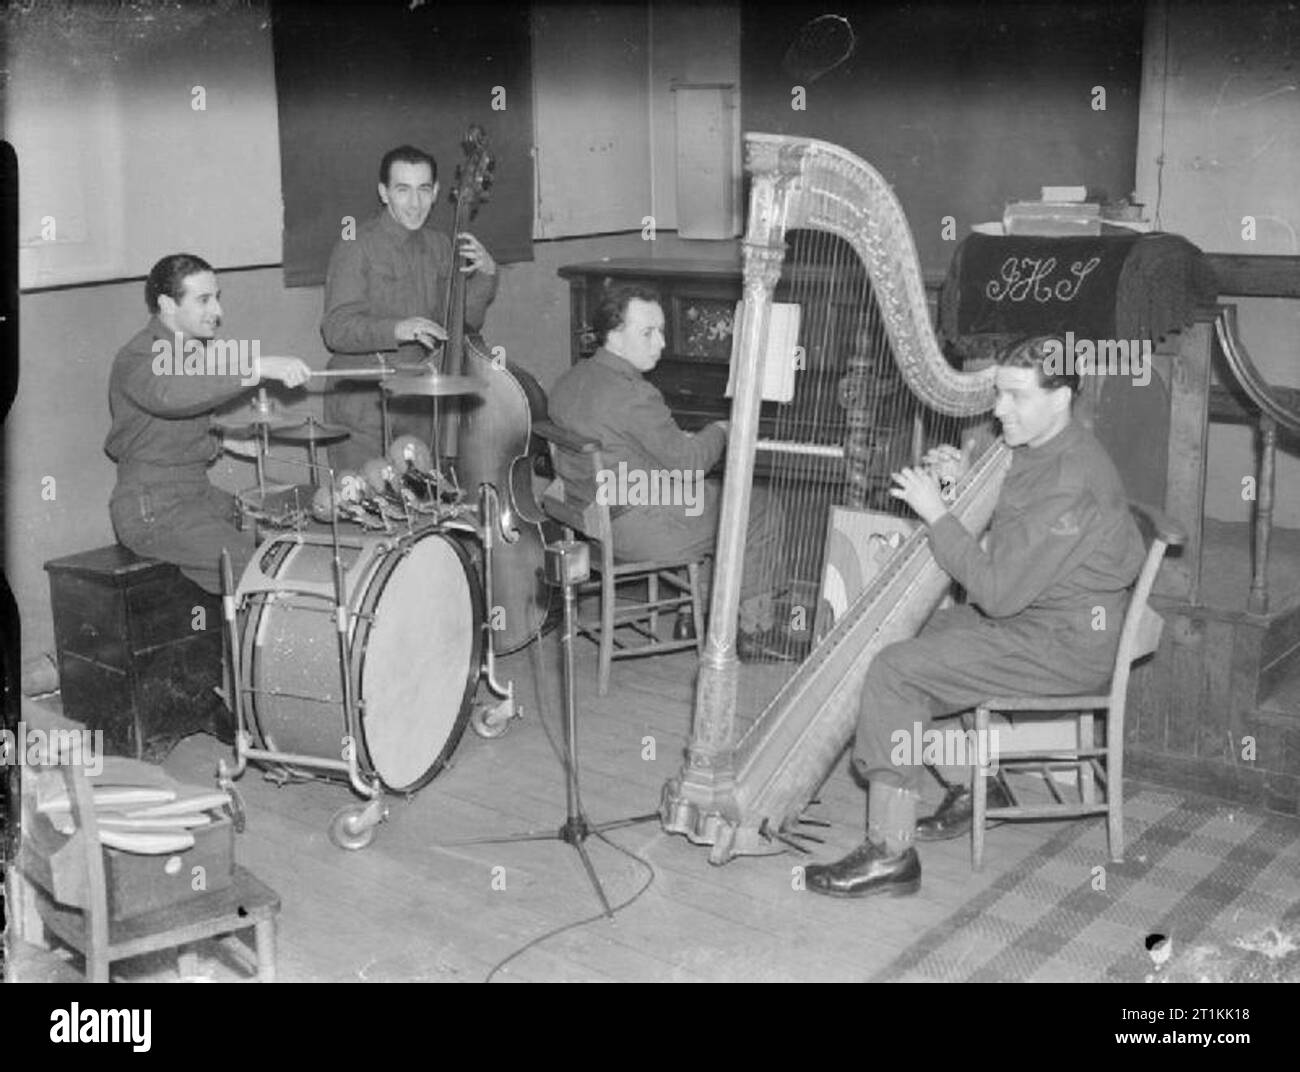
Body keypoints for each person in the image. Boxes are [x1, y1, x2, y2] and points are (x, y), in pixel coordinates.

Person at [803, 334, 1147, 898]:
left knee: (896, 670)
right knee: (923, 634)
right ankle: (980, 787)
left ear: (1060, 398)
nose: (997, 409)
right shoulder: (1052, 447)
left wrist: (938, 514)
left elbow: (995, 592)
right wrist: (962, 483)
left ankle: (890, 855)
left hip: (1062, 644)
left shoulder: (1070, 477)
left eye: (1014, 397)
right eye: (997, 395)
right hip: (1040, 621)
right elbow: (1018, 524)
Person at [547, 284, 795, 659]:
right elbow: (690, 464)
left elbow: (633, 446)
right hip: (638, 527)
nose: (661, 343)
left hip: (590, 518)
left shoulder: (571, 378)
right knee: (759, 507)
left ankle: (694, 614)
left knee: (718, 498)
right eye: (647, 333)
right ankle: (754, 631)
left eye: (661, 331)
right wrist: (721, 429)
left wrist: (676, 445)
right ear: (613, 333)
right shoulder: (633, 393)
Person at [106, 253, 312, 593]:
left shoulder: (189, 354)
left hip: (196, 493)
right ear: (167, 304)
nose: (218, 311)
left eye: (217, 298)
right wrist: (256, 366)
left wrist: (225, 439)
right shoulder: (138, 355)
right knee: (258, 565)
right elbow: (171, 396)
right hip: (152, 506)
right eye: (204, 300)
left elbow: (171, 427)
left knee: (277, 536)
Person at [320, 144, 498, 472]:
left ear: (436, 192)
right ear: (384, 193)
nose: (415, 203)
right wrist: (397, 329)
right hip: (363, 401)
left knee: (421, 502)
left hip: (418, 400)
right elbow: (335, 329)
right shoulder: (355, 244)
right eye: (403, 190)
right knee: (366, 505)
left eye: (423, 190)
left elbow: (461, 327)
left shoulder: (440, 245)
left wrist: (486, 276)